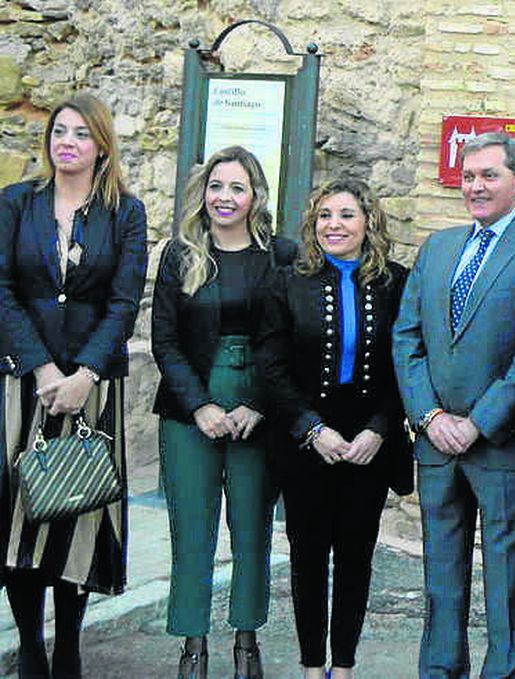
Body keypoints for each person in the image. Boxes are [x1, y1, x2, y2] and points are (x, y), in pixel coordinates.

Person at [392, 132, 515, 679]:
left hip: (504, 445)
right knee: (440, 575)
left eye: (489, 175)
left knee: (509, 580)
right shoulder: (437, 247)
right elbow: (406, 338)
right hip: (437, 445)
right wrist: (432, 417)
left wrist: (479, 422)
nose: (476, 186)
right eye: (469, 176)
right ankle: (440, 672)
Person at [0, 93, 147, 679]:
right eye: (60, 131)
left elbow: (124, 300)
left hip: (93, 387)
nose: (68, 142)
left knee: (78, 516)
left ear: (101, 145)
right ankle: (32, 650)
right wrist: (42, 369)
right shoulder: (17, 203)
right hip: (23, 384)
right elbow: (2, 289)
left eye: (81, 134)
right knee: (20, 518)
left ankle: (68, 649)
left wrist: (84, 373)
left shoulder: (125, 213)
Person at [257, 179, 413, 679]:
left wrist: (380, 429)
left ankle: (343, 666)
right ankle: (310, 666)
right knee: (306, 555)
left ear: (368, 222)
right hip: (307, 439)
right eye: (325, 215)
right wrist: (310, 429)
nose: (334, 225)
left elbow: (405, 364)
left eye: (346, 215)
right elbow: (271, 367)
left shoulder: (396, 282)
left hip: (369, 438)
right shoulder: (288, 281)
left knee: (355, 557)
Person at [151, 145, 295, 679]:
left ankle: (247, 643)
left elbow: (286, 340)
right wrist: (200, 406)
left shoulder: (281, 255)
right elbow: (164, 340)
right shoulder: (180, 254)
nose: (225, 197)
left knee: (252, 527)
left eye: (237, 187)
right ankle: (193, 645)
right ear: (203, 194)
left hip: (259, 406)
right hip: (191, 405)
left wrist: (257, 402)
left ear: (255, 195)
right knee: (192, 530)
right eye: (216, 187)